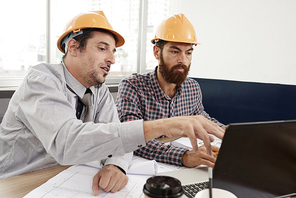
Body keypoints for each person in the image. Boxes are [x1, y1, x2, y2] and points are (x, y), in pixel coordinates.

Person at [0, 11, 224, 195]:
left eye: (113, 51)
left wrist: (115, 164)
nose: (112, 59)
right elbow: (67, 143)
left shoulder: (99, 91)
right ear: (74, 47)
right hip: (17, 182)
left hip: (71, 176)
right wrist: (165, 125)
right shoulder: (42, 80)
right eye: (102, 48)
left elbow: (119, 136)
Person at [116, 13, 226, 169]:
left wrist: (226, 131)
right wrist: (184, 156)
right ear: (156, 52)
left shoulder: (192, 87)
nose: (183, 60)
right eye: (175, 52)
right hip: (146, 171)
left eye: (188, 52)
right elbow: (131, 138)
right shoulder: (132, 87)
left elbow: (203, 118)